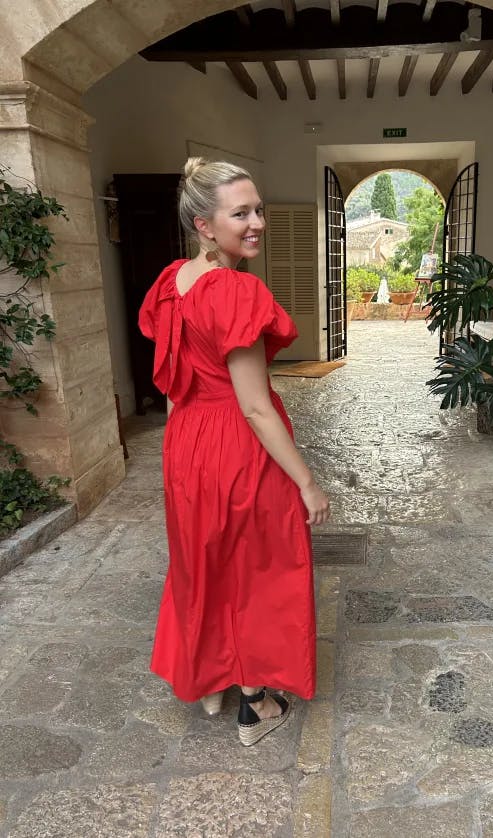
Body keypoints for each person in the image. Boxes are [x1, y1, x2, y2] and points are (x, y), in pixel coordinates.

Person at [138, 157, 330, 747]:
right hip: (236, 446)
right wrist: (306, 481)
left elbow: (172, 386)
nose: (258, 224)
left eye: (259, 210)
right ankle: (255, 702)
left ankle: (212, 677)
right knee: (256, 570)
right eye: (241, 213)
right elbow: (254, 406)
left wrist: (178, 459)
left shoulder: (171, 283)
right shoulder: (237, 293)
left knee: (203, 564)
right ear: (204, 224)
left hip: (187, 445)